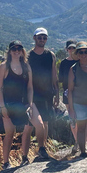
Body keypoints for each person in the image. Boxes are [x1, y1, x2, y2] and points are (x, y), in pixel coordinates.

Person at [0, 40, 48, 169]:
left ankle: (38, 150)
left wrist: (30, 103)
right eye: (14, 49)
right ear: (10, 51)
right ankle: (6, 163)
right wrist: (3, 107)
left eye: (19, 49)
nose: (16, 51)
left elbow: (30, 87)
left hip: (25, 104)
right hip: (10, 105)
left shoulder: (26, 66)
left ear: (22, 51)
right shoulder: (4, 67)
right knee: (10, 133)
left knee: (39, 125)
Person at [27, 27, 56, 160]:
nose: (42, 39)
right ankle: (38, 149)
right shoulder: (28, 56)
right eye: (39, 37)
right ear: (34, 38)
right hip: (34, 93)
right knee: (35, 123)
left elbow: (54, 74)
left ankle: (42, 149)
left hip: (47, 93)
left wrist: (57, 92)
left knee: (46, 121)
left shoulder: (50, 55)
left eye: (44, 37)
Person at [58, 39, 78, 139]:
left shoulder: (80, 61)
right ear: (66, 49)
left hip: (79, 93)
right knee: (72, 119)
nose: (72, 50)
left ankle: (82, 142)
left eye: (74, 48)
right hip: (67, 93)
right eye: (70, 48)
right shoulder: (63, 63)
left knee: (81, 117)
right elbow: (60, 79)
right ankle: (77, 142)